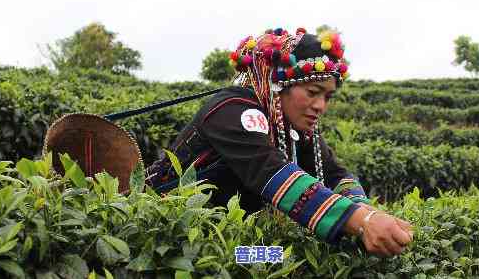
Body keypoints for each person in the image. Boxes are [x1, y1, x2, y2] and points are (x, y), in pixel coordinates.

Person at [145, 27, 413, 256]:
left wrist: (365, 208)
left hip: (228, 239)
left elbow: (335, 173)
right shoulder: (232, 110)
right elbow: (272, 171)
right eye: (312, 92)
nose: (320, 106)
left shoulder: (291, 125)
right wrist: (361, 221)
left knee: (281, 259)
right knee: (266, 259)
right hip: (176, 241)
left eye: (327, 97)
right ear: (277, 85)